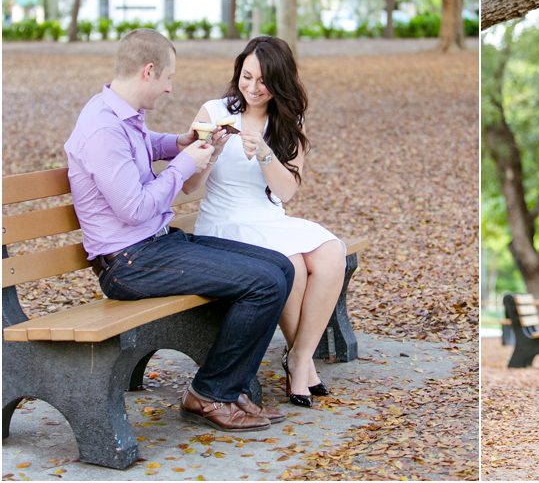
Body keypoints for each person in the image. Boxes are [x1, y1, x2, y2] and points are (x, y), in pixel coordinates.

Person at [64, 28, 295, 432]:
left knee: (279, 268)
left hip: (154, 246)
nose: (170, 89)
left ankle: (231, 385)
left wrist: (179, 142)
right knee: (262, 283)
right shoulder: (102, 128)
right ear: (148, 72)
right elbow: (134, 208)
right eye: (169, 78)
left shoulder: (121, 114)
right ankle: (209, 393)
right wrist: (185, 164)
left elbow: (144, 145)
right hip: (129, 262)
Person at [184, 36, 346, 408]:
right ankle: (299, 363)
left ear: (280, 81)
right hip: (223, 225)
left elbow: (286, 192)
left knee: (330, 254)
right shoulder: (213, 112)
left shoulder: (288, 121)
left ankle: (300, 357)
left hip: (268, 219)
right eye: (246, 76)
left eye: (262, 81)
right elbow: (190, 186)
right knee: (291, 264)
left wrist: (265, 153)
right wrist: (210, 155)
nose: (253, 88)